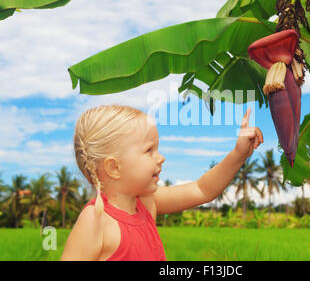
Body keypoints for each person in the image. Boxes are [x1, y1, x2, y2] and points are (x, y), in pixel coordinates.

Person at [60, 104, 263, 261]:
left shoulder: (147, 204)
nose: (161, 158)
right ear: (114, 167)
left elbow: (202, 189)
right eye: (149, 150)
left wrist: (238, 154)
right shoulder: (95, 220)